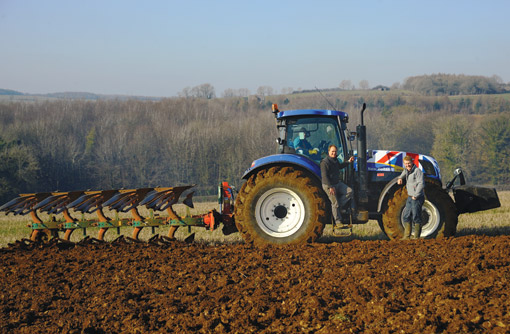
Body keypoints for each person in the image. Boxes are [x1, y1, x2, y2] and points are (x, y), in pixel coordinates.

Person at [320, 144, 354, 226]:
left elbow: (340, 166)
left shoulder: (335, 160)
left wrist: (349, 161)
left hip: (337, 183)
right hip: (328, 185)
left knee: (350, 191)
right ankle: (338, 221)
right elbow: (325, 176)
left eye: (335, 151)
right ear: (329, 152)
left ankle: (337, 208)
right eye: (332, 151)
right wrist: (330, 187)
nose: (334, 153)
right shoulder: (325, 162)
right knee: (335, 203)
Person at [397, 155, 425, 239]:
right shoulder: (406, 170)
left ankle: (416, 237)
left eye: (409, 163)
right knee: (406, 215)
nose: (407, 165)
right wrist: (400, 178)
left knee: (416, 216)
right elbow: (403, 173)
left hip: (417, 197)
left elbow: (421, 184)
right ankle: (407, 236)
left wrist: (416, 195)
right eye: (405, 164)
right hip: (410, 197)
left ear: (412, 162)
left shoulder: (417, 171)